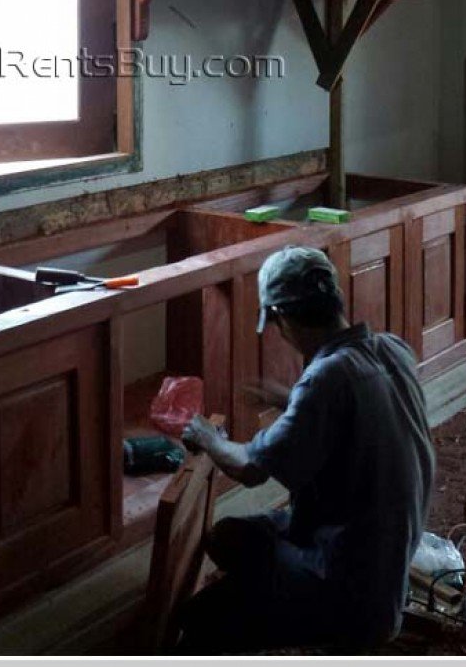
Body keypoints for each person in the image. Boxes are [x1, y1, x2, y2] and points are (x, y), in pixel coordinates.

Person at [176, 245, 435, 654]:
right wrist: (288, 401)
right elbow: (353, 415)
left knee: (199, 618)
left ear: (281, 316)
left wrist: (209, 437)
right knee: (228, 538)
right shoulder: (393, 349)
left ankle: (317, 621)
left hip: (350, 591)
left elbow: (250, 469)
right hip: (386, 567)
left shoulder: (325, 378)